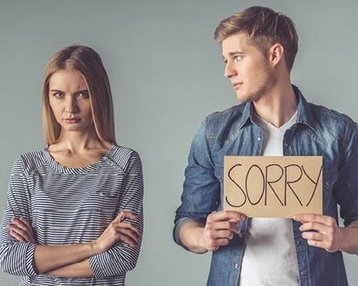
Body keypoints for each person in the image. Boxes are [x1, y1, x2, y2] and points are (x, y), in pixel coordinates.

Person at [174, 6, 358, 286]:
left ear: (274, 55)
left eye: (237, 57)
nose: (227, 71)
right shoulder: (214, 133)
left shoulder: (338, 133)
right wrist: (202, 236)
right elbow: (186, 221)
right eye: (225, 60)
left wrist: (342, 237)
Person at [0, 45, 143, 285]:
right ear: (48, 98)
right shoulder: (28, 166)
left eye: (82, 94)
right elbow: (8, 257)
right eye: (59, 94)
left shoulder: (124, 163)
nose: (70, 108)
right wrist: (95, 246)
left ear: (99, 94)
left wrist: (38, 258)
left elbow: (122, 257)